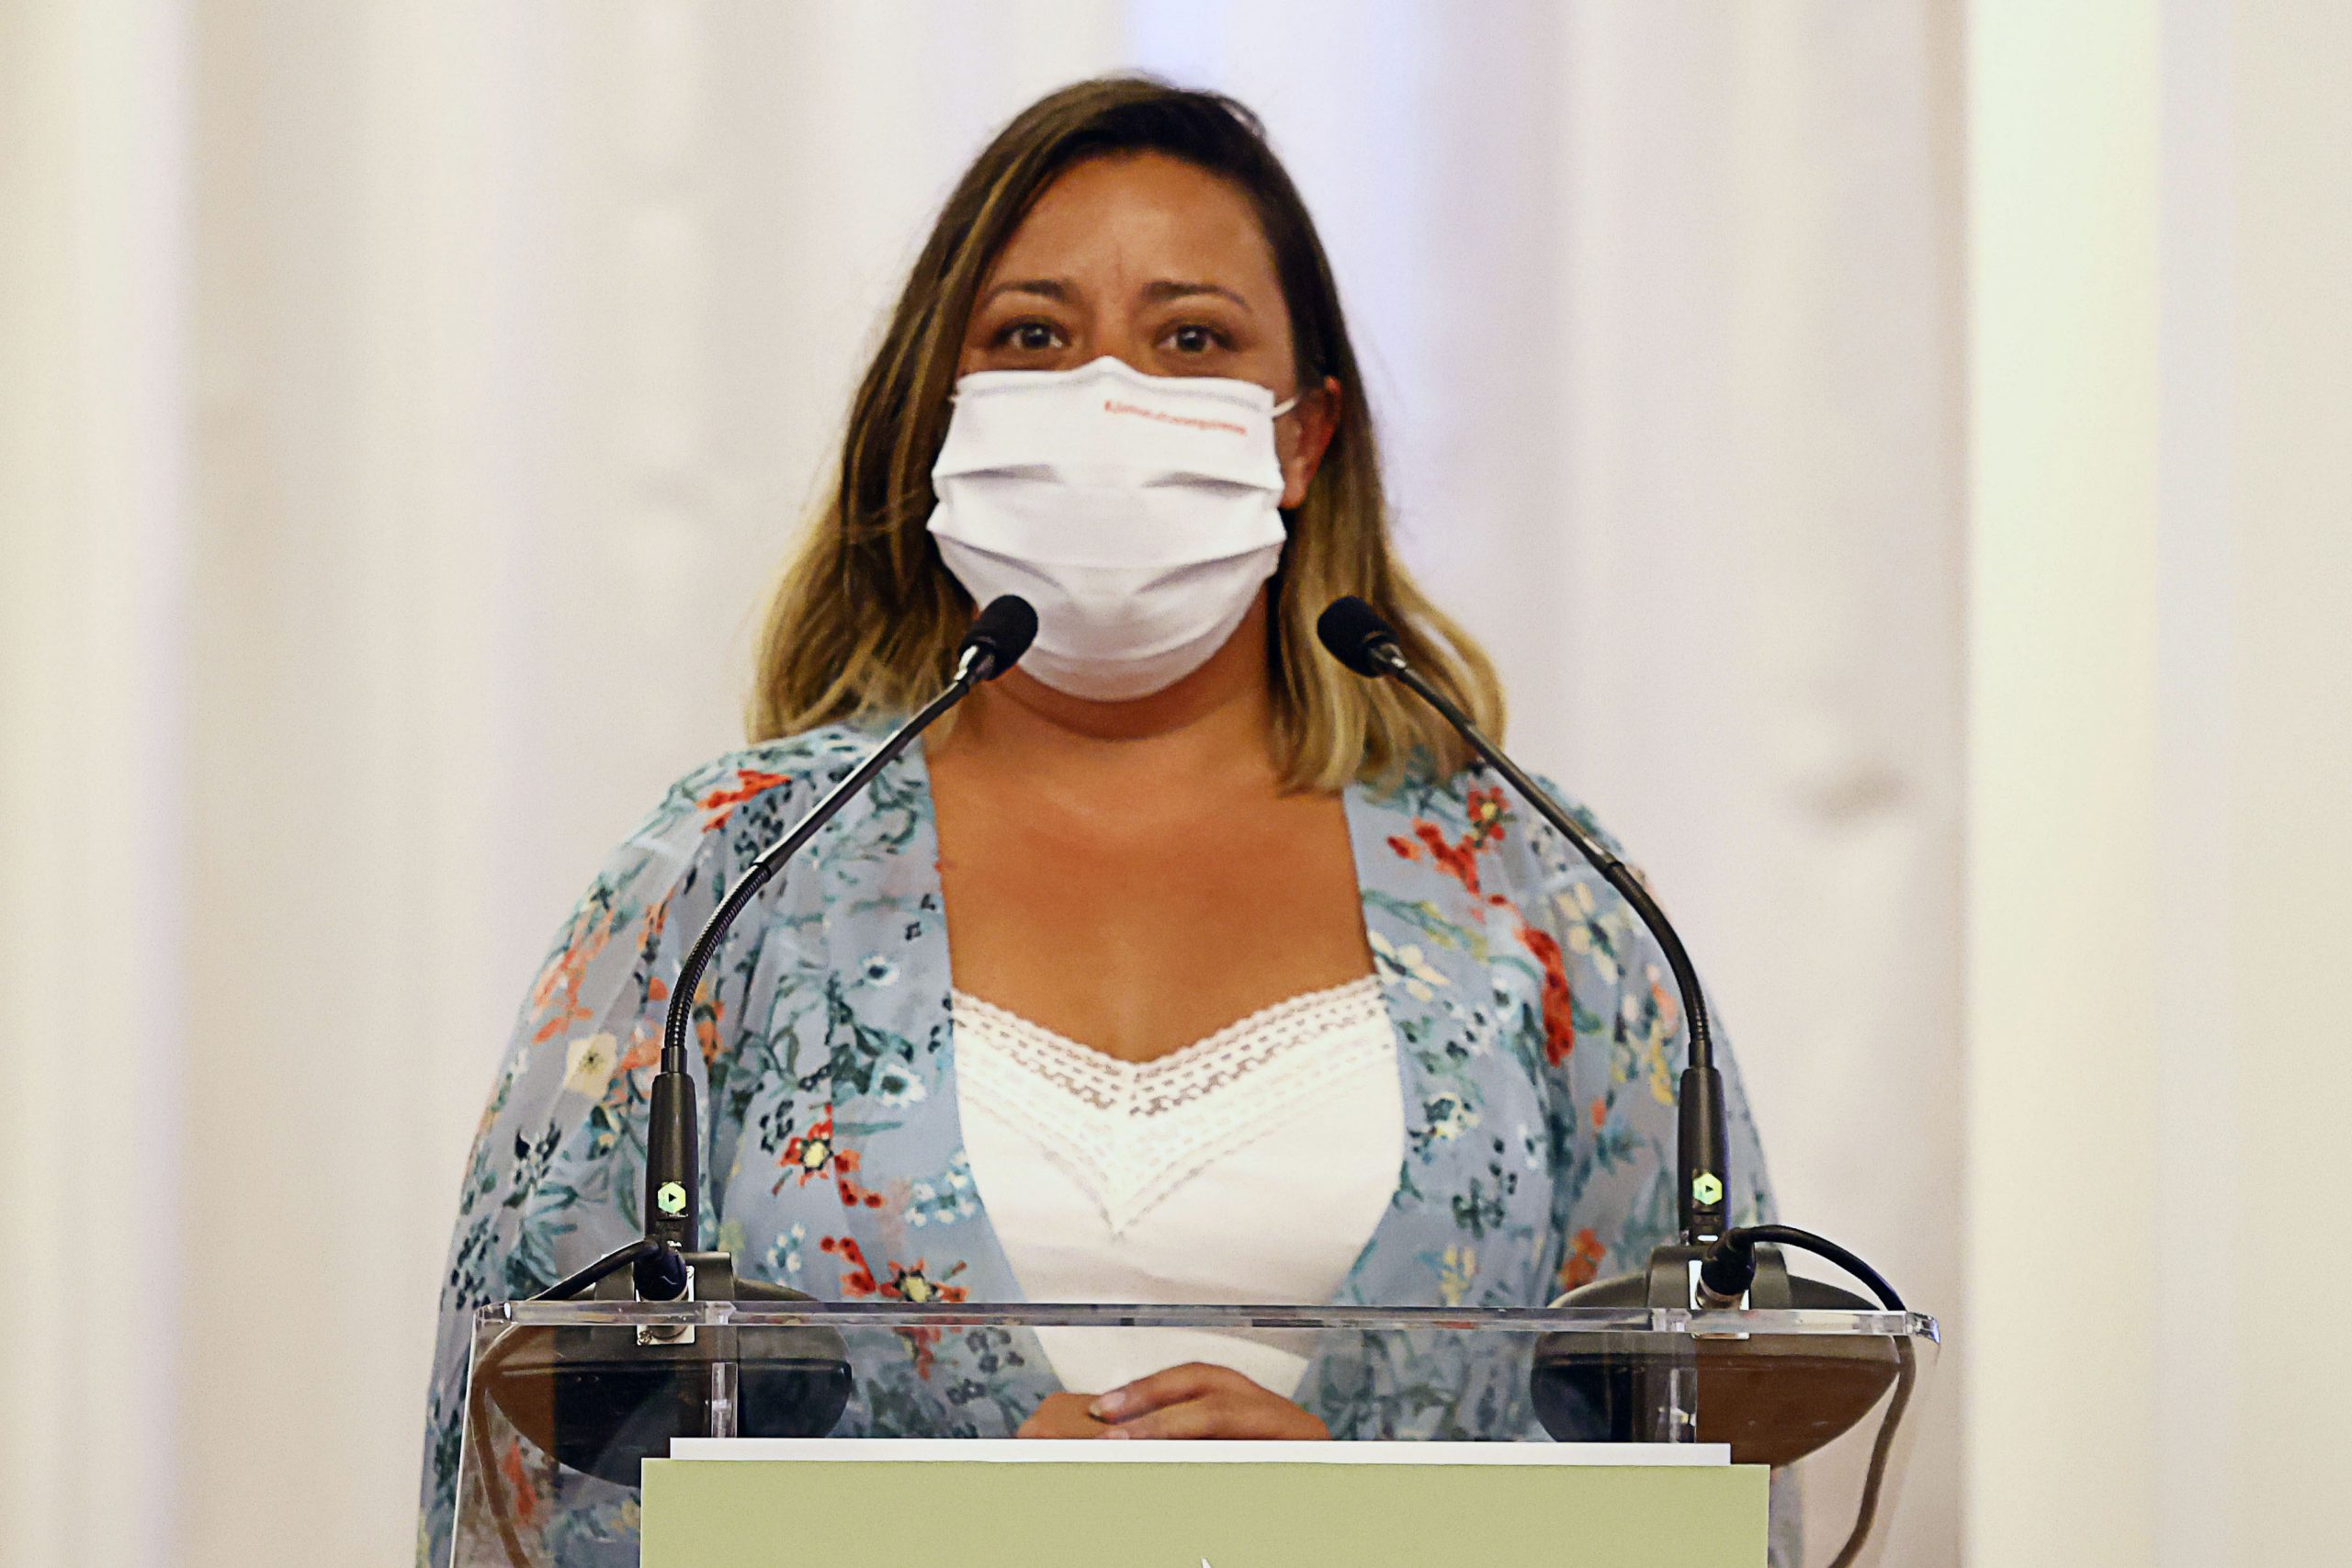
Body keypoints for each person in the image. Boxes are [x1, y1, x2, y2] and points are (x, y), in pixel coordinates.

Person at [418, 74, 1771, 1562]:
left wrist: (1370, 1525)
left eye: (1192, 339)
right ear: (940, 416)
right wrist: (958, 1533)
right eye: (1033, 338)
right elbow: (525, 1460)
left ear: (1304, 436)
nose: (1110, 394)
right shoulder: (732, 871)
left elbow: (1715, 1455)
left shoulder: (1539, 892)